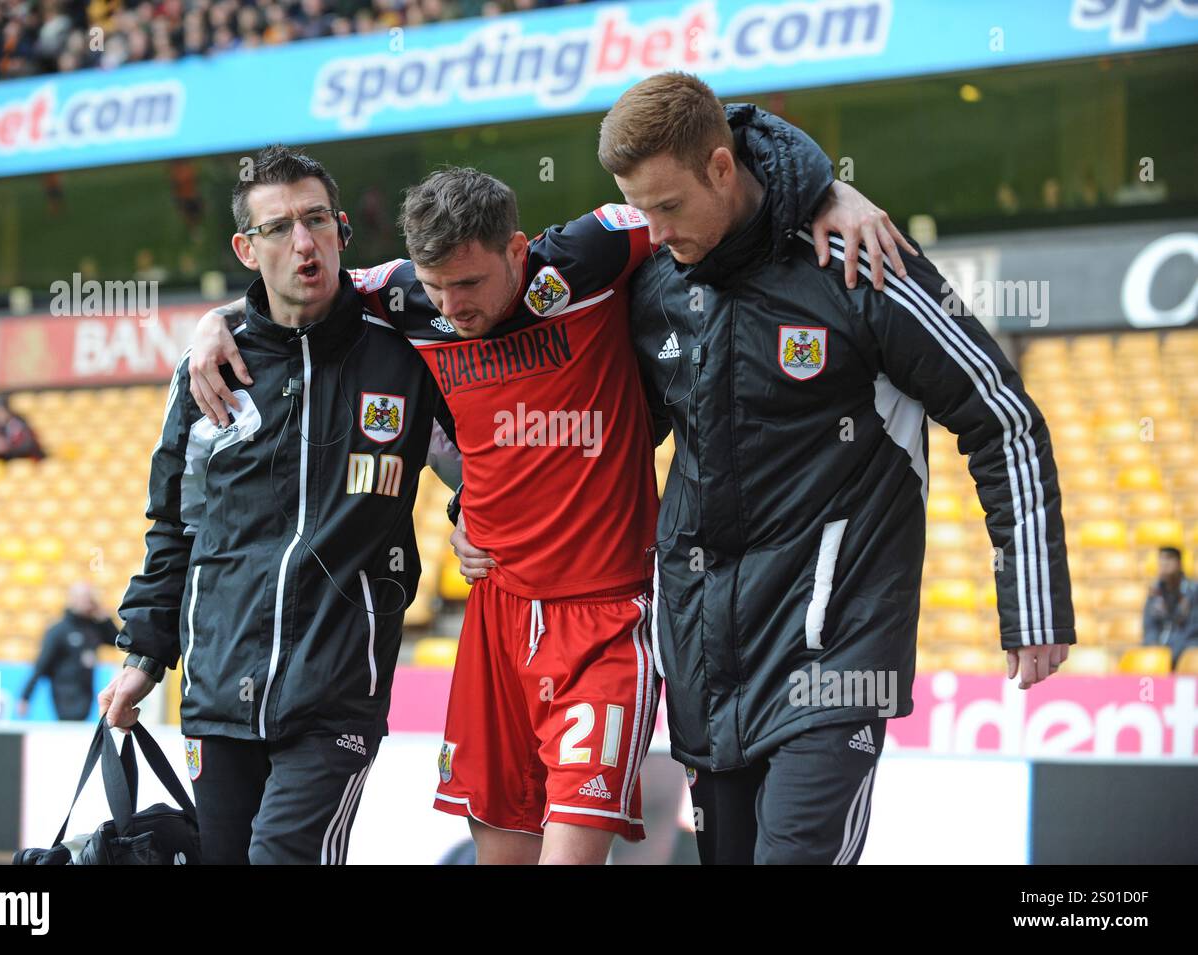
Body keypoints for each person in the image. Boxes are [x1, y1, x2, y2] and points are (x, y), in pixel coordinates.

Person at [187, 133, 902, 863]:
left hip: (605, 617)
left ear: (519, 251)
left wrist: (824, 191)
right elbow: (294, 291)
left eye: (469, 285)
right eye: (436, 288)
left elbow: (696, 185)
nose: (452, 307)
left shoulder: (592, 253)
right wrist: (215, 322)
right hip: (496, 615)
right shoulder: (402, 297)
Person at [590, 71, 1074, 864]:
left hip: (834, 662)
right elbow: (611, 442)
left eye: (668, 206)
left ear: (721, 167)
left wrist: (1034, 603)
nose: (655, 228)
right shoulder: (654, 281)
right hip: (706, 665)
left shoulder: (860, 259)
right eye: (640, 209)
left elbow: (1001, 416)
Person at [99, 145, 460, 865]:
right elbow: (175, 525)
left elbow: (482, 456)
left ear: (342, 230)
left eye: (317, 219)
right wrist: (146, 650)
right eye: (280, 227)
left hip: (336, 694)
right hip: (216, 692)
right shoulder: (207, 372)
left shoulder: (407, 348)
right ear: (246, 247)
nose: (304, 242)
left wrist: (470, 518)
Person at [17, 582, 119, 720]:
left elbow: (116, 641)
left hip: (87, 694)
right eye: (85, 598)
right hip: (64, 694)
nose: (89, 602)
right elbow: (41, 665)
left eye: (90, 598)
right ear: (73, 600)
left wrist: (104, 617)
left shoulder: (94, 627)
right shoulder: (59, 630)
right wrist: (25, 697)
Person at [1143, 546, 1198, 667]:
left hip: (1185, 651)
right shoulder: (1155, 593)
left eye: (1168, 559)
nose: (1164, 564)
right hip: (1159, 654)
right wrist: (1153, 645)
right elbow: (1150, 626)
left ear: (1179, 563)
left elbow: (1194, 630)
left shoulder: (1193, 592)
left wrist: (1171, 653)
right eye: (1161, 559)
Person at [0, 395, 45, 460]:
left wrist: (8, 447)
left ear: (6, 412)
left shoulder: (18, 424)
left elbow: (28, 446)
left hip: (26, 460)